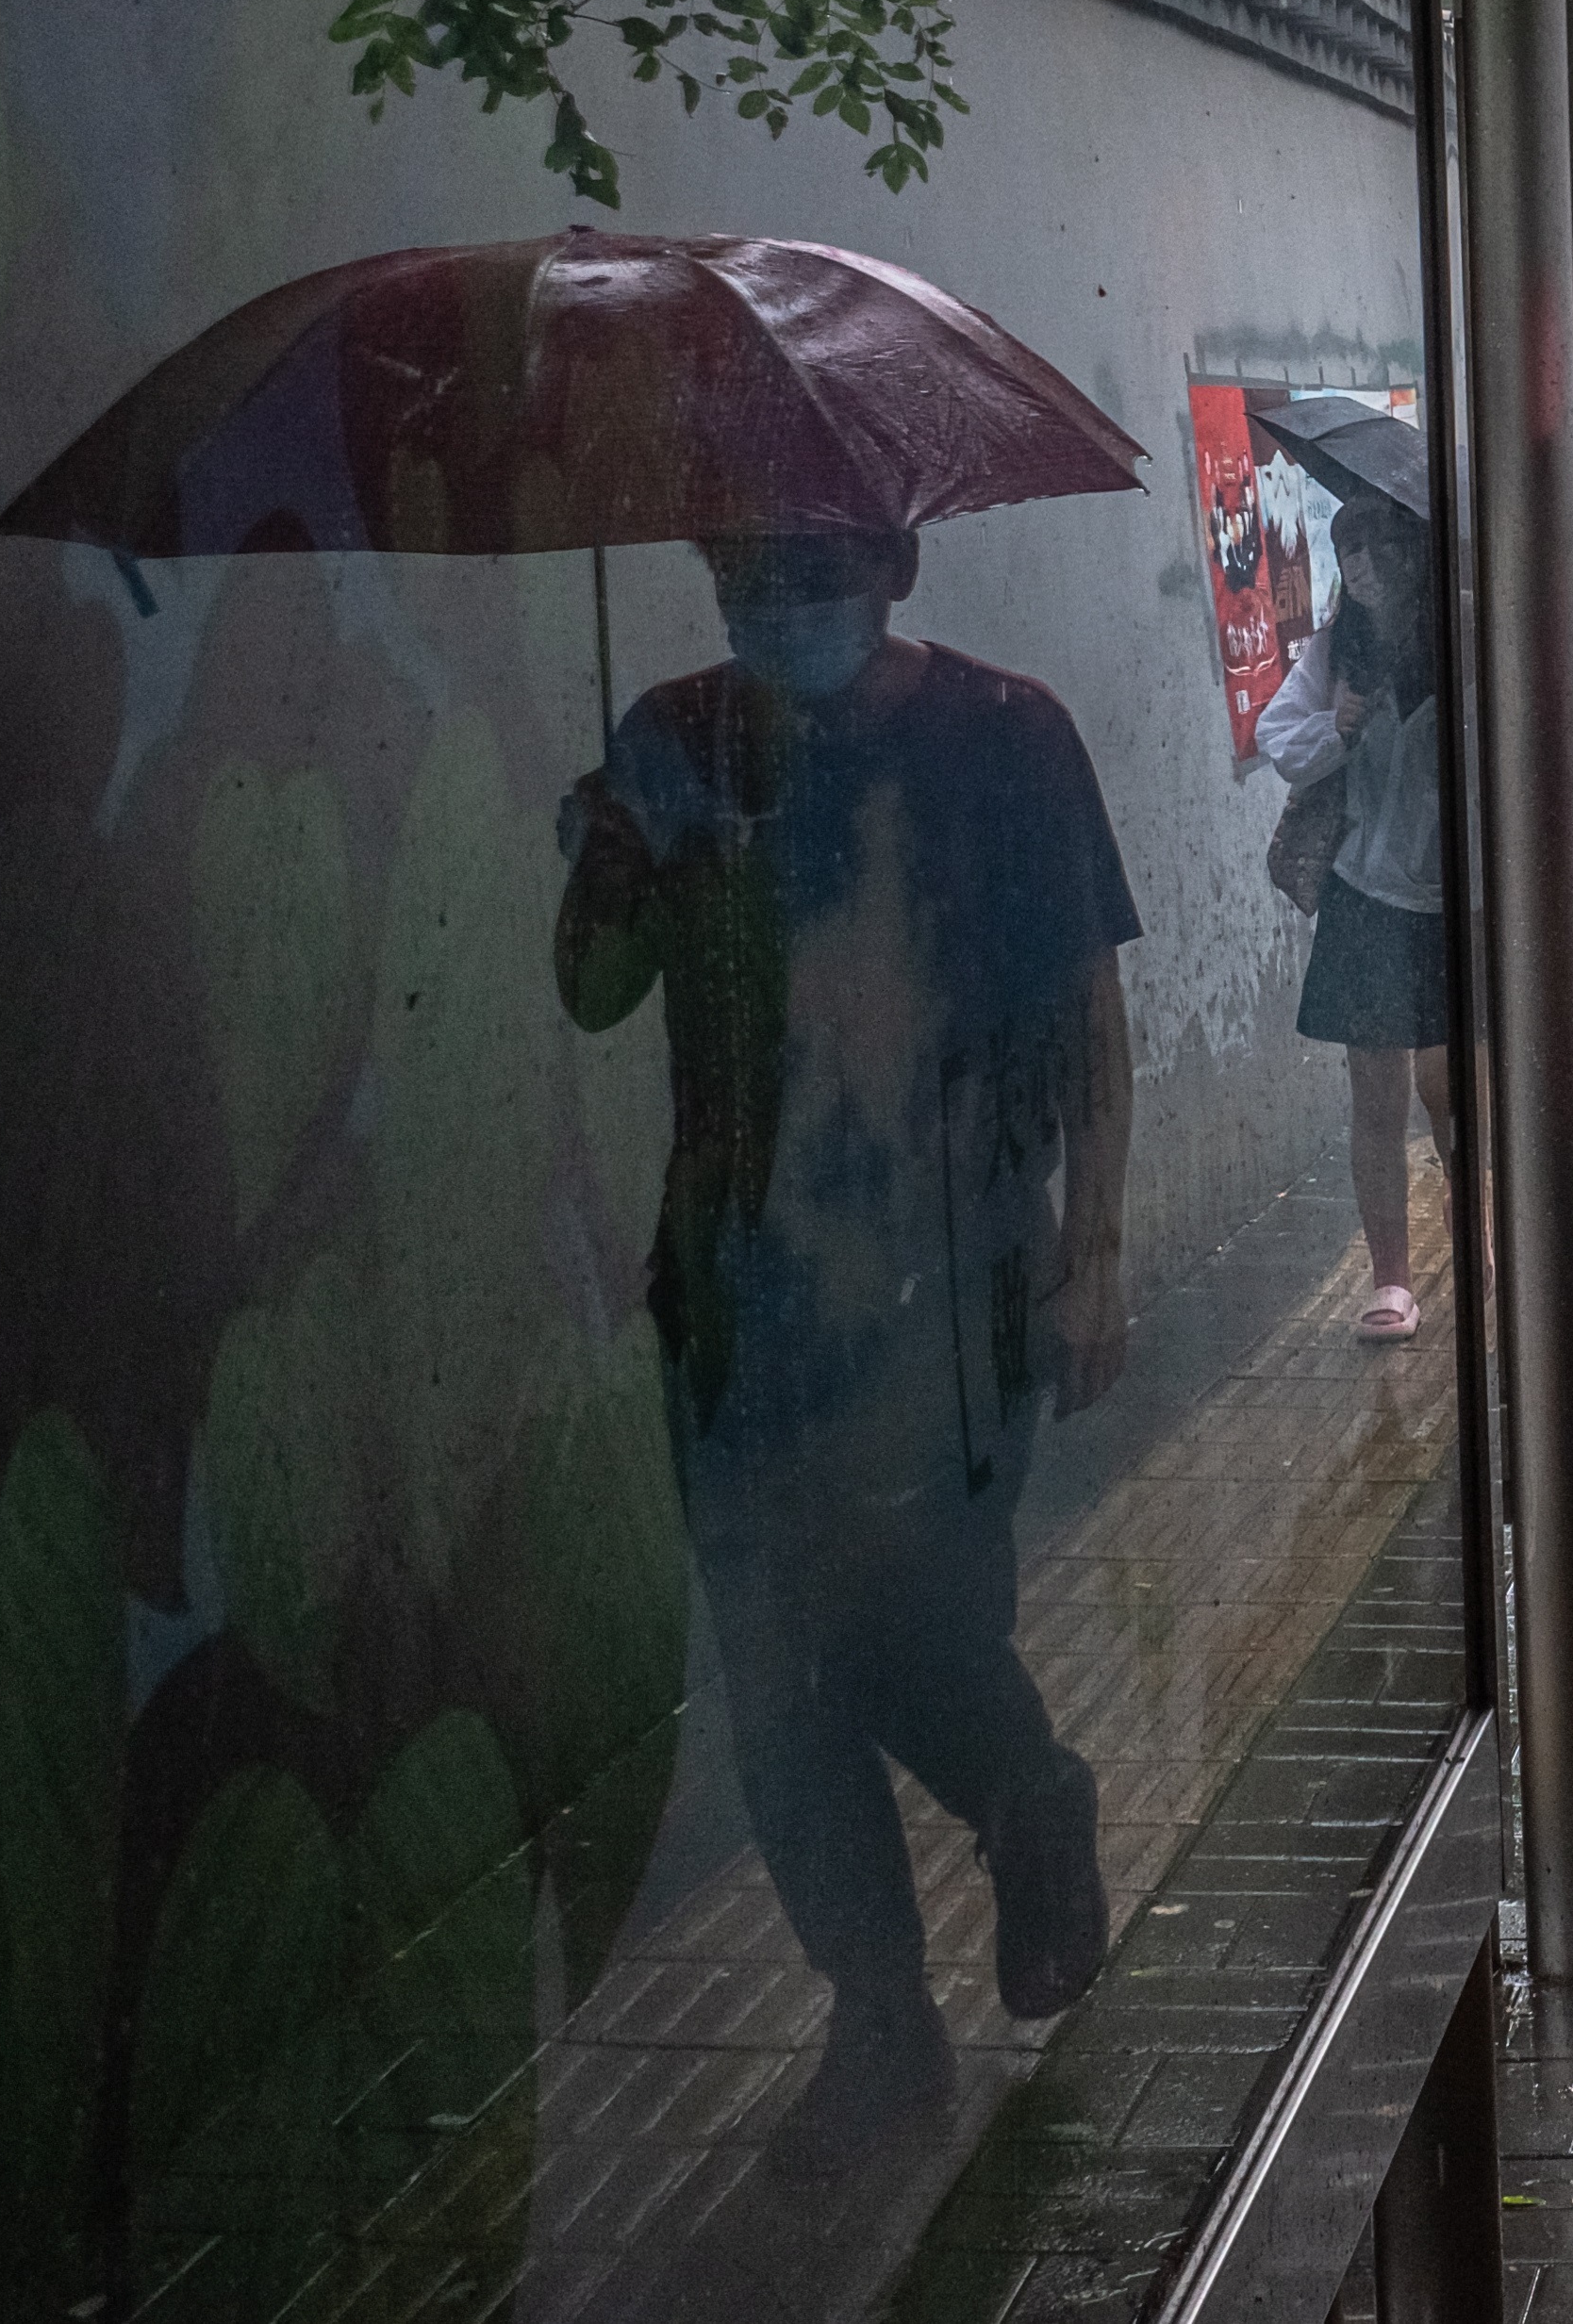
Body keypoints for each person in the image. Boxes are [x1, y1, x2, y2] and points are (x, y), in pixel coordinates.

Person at [554, 525, 1137, 2159]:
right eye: (744, 567)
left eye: (809, 562)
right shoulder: (674, 736)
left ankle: (1025, 1794)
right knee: (771, 1673)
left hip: (951, 1287)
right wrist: (604, 850)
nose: (776, 600)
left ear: (890, 559)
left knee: (903, 1627)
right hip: (740, 1298)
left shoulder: (1004, 730)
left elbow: (1087, 999)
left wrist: (1093, 1249)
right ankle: (882, 2018)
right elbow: (592, 988)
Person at [1258, 500, 1457, 1339]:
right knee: (1374, 1093)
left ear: (1419, 543)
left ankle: (1478, 1235)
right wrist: (1337, 727)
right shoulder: (1339, 651)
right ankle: (1390, 1280)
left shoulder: (1467, 638)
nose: (1369, 558)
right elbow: (1280, 738)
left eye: (1383, 539)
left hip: (1457, 904)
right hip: (1366, 898)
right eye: (1351, 545)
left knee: (1451, 1090)